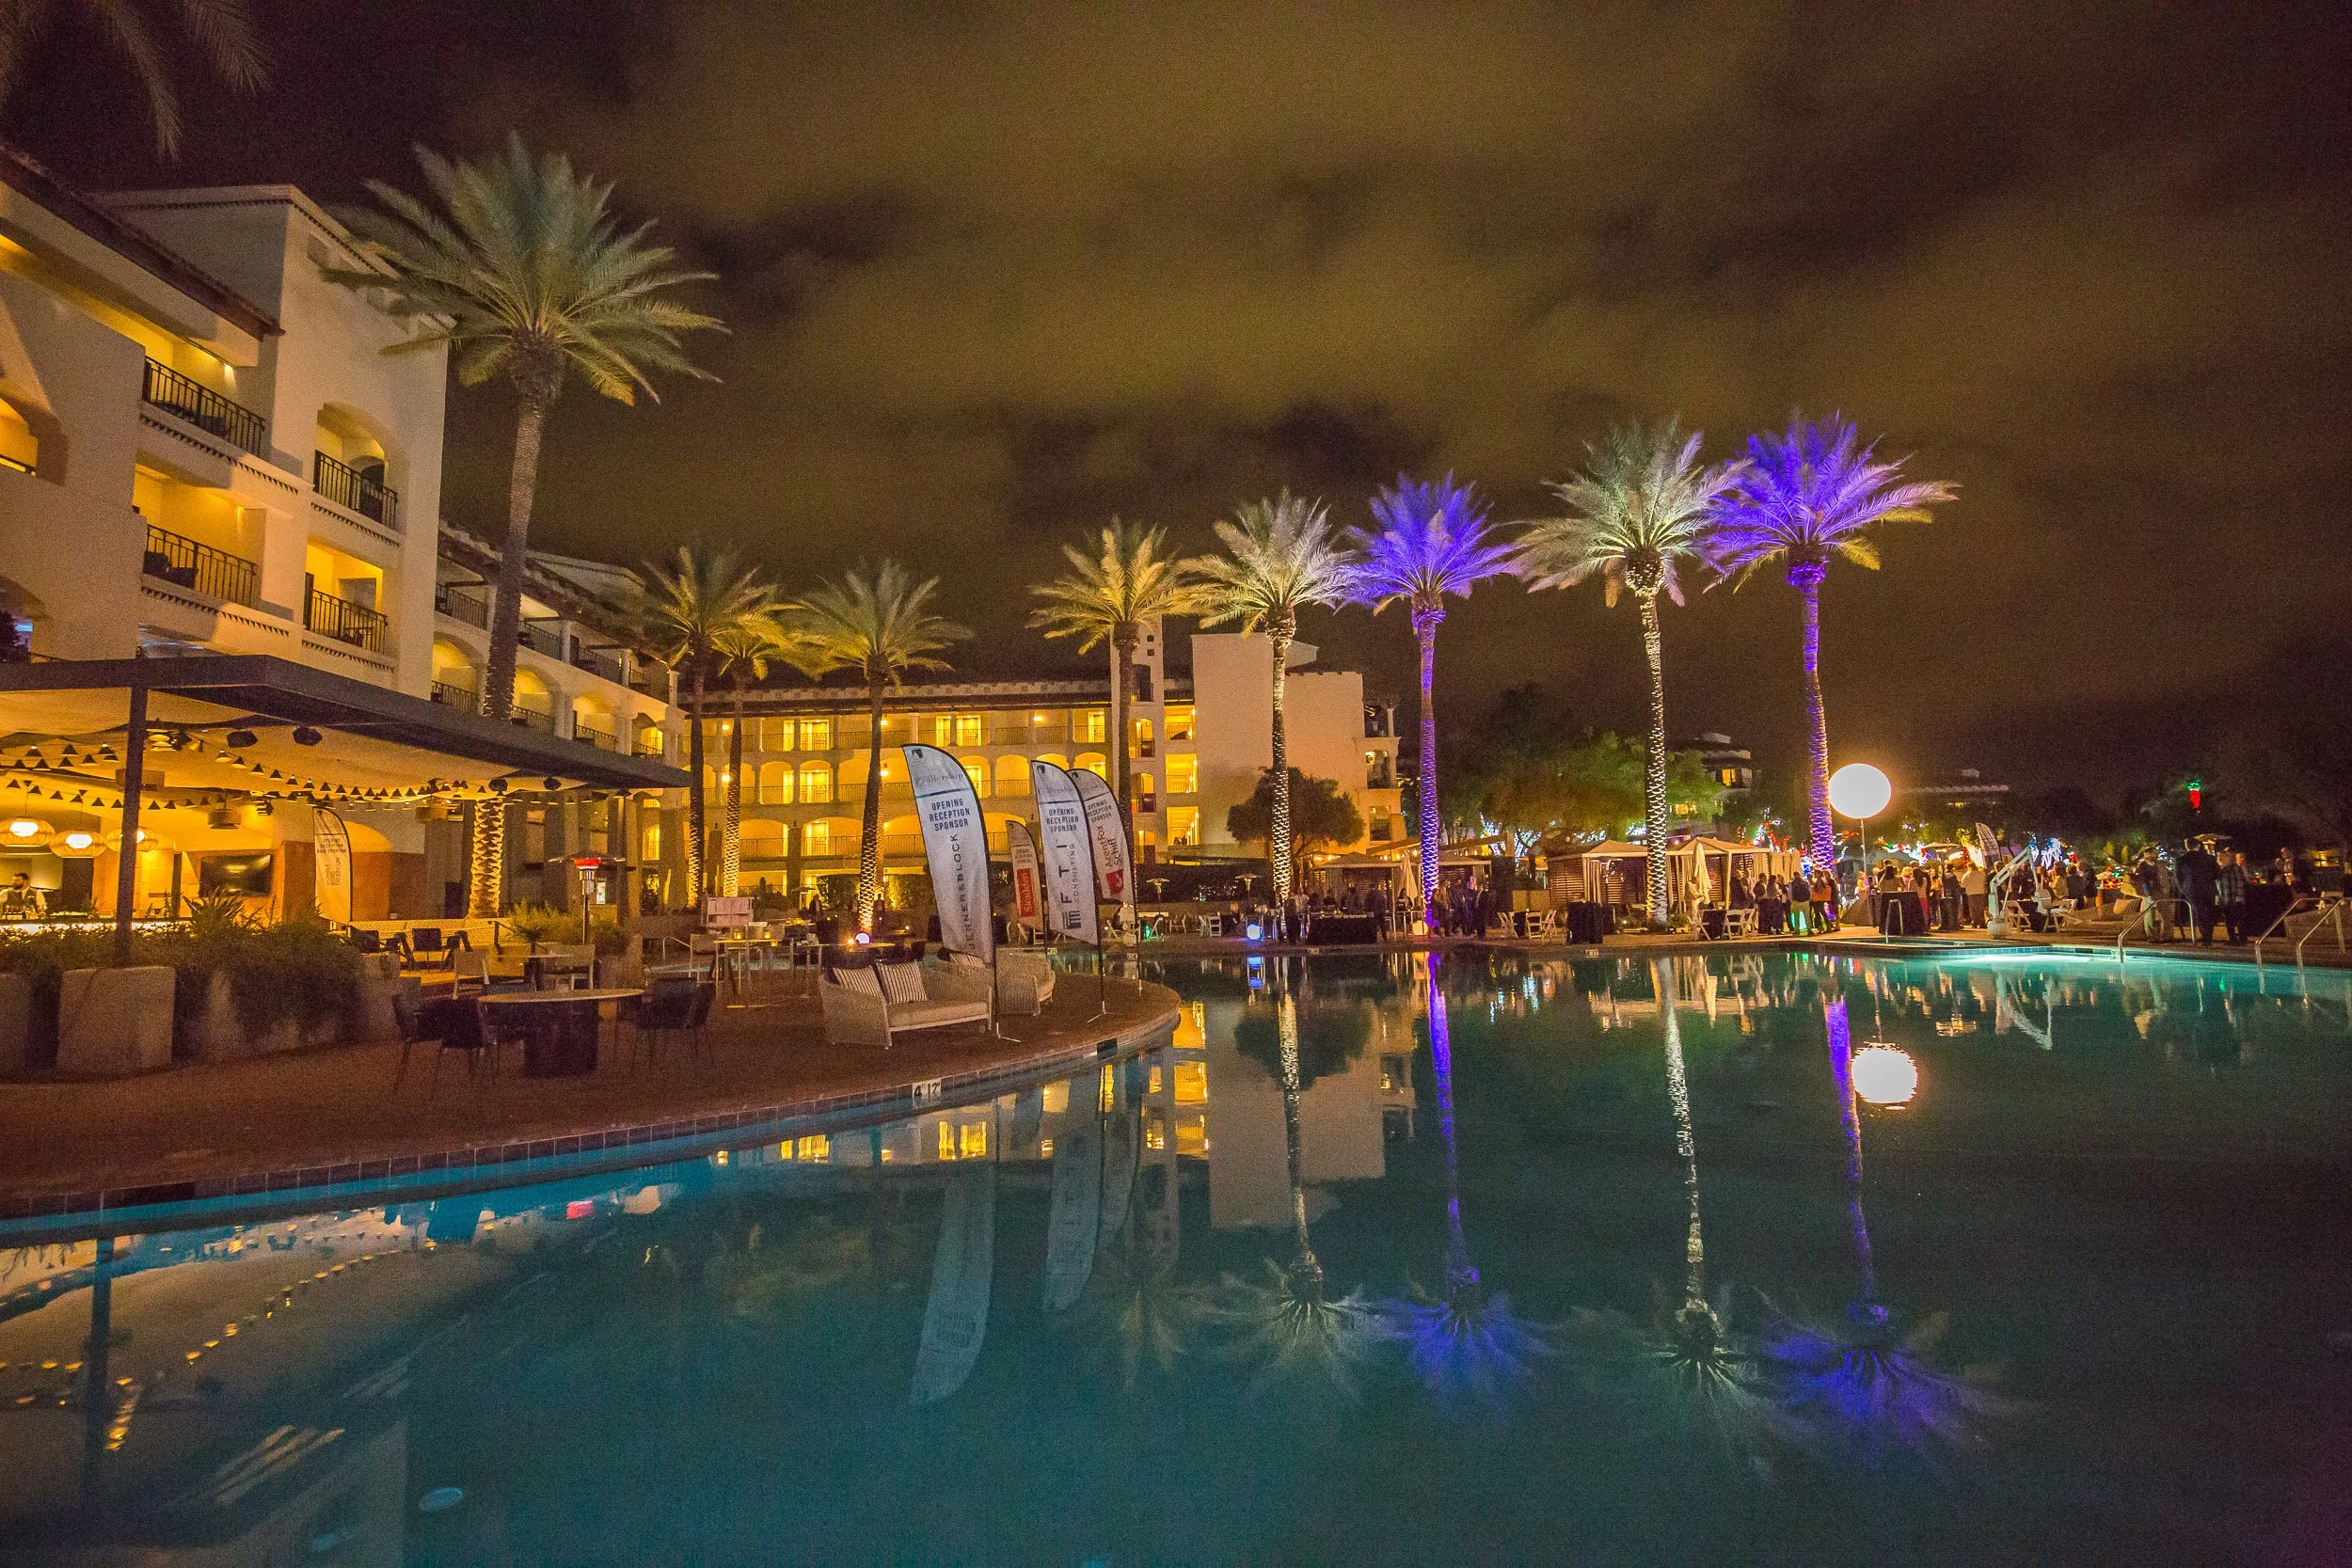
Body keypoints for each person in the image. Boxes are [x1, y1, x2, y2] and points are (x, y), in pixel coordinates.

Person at [2175, 838, 2220, 947]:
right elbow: (2218, 873)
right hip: (2208, 888)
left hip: (2191, 889)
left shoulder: (2181, 860)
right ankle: (2208, 936)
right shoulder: (2209, 858)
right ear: (2199, 846)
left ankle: (2205, 937)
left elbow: (2178, 877)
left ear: (2187, 846)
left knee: (2199, 913)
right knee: (2209, 911)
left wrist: (2183, 890)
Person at [2215, 848, 2249, 944]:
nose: (2219, 859)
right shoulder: (2220, 870)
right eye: (2218, 857)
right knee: (2228, 920)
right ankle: (2232, 939)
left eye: (2221, 857)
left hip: (2234, 898)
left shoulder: (2235, 868)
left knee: (2239, 919)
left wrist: (2239, 898)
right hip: (2225, 899)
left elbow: (2240, 883)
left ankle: (2242, 939)